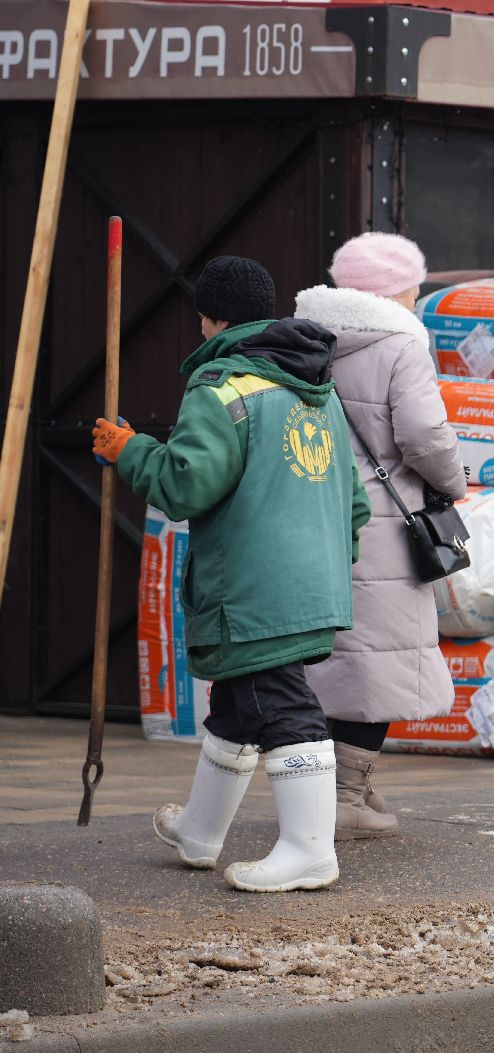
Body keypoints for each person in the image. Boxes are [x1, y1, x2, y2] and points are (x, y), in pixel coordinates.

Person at [93, 256, 370, 892]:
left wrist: (130, 450)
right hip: (309, 582)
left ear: (210, 319)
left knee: (279, 703)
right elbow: (354, 503)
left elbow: (186, 485)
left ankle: (308, 849)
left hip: (252, 586)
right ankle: (199, 832)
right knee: (239, 704)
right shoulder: (315, 389)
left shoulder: (223, 385)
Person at [295, 233, 467, 841]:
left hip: (310, 516)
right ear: (397, 291)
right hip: (381, 524)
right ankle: (345, 799)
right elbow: (423, 434)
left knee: (334, 658)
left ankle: (349, 790)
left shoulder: (299, 340)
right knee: (381, 663)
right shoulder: (400, 345)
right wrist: (456, 480)